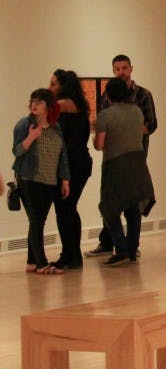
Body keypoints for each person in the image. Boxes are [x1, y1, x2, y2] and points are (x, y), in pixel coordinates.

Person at [86, 54, 157, 258]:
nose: (121, 72)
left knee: (111, 205)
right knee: (130, 205)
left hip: (119, 159)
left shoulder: (142, 95)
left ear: (131, 68)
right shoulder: (134, 111)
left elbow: (151, 125)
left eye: (124, 68)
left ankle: (124, 249)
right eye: (117, 69)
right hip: (132, 158)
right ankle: (122, 247)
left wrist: (116, 130)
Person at [12, 89, 70, 275]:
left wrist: (65, 179)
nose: (34, 105)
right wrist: (31, 137)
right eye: (32, 101)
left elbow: (62, 155)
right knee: (37, 220)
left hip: (50, 180)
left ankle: (32, 261)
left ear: (48, 106)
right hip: (29, 178)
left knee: (38, 220)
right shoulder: (24, 124)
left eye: (39, 101)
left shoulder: (55, 127)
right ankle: (41, 263)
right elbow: (17, 151)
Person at [49, 69, 93, 270]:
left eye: (54, 84)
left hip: (69, 163)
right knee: (69, 208)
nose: (50, 88)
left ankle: (71, 255)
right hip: (82, 160)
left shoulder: (60, 105)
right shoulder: (81, 106)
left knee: (64, 209)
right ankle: (72, 254)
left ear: (63, 86)